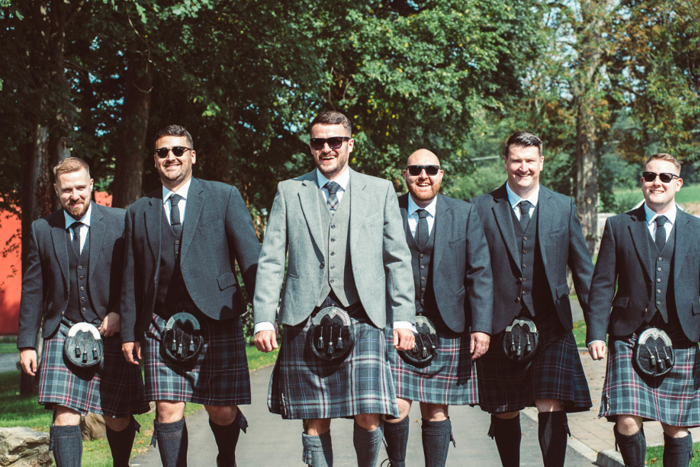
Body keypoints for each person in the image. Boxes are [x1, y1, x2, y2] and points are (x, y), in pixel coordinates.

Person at [253, 110, 415, 467]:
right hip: (304, 316)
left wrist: (403, 318)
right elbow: (271, 260)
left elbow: (397, 259)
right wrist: (264, 317)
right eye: (318, 142)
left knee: (369, 412)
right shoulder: (290, 191)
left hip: (364, 315)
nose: (326, 148)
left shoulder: (380, 189)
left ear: (350, 144)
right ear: (311, 147)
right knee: (314, 418)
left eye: (334, 141)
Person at [120, 125, 260, 467]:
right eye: (163, 152)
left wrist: (265, 317)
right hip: (160, 320)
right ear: (155, 160)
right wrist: (129, 333)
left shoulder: (222, 196)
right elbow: (130, 277)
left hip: (217, 318)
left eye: (178, 150)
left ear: (192, 156)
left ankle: (225, 458)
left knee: (222, 410)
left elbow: (251, 258)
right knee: (167, 409)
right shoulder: (139, 210)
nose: (171, 157)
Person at [471, 131, 594, 467]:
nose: (522, 167)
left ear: (541, 162)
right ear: (506, 162)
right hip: (497, 324)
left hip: (551, 324)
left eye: (529, 160)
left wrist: (597, 330)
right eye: (516, 160)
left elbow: (584, 273)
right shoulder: (482, 207)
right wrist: (476, 326)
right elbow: (472, 272)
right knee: (505, 409)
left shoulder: (563, 206)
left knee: (551, 402)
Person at [17, 157, 149, 467]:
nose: (73, 195)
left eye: (79, 187)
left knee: (117, 417)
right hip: (62, 330)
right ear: (56, 190)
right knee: (65, 415)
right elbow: (34, 288)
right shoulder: (42, 229)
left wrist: (120, 313)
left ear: (91, 185)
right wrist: (25, 344)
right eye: (66, 190)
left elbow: (136, 276)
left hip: (111, 333)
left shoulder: (120, 221)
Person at [587, 153, 700, 467]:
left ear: (678, 183)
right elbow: (602, 285)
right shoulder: (619, 226)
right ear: (642, 181)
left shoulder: (697, 229)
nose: (657, 182)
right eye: (650, 176)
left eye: (665, 177)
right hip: (629, 335)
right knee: (626, 421)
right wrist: (595, 333)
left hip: (683, 337)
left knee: (676, 428)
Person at [382, 149, 493, 467]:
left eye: (431, 169)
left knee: (435, 408)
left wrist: (481, 326)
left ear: (441, 174)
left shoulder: (464, 213)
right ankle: (397, 464)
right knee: (395, 405)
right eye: (415, 169)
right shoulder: (389, 210)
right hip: (397, 324)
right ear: (404, 175)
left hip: (447, 325)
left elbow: (479, 273)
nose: (423, 175)